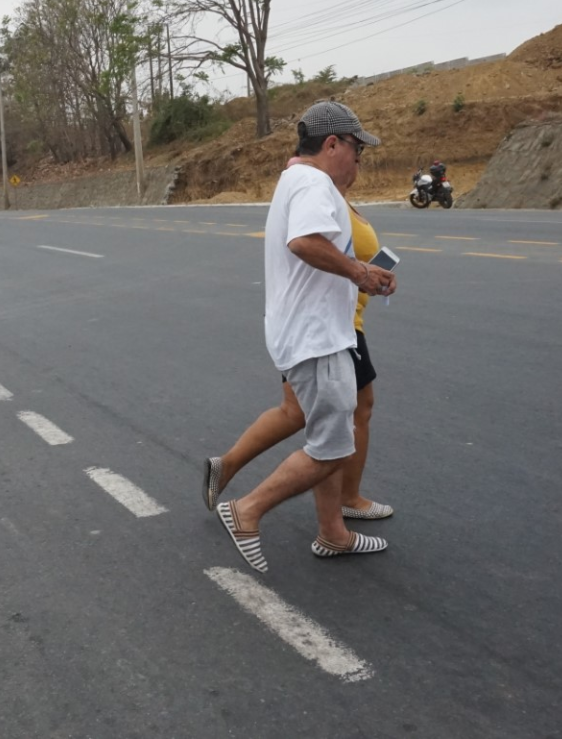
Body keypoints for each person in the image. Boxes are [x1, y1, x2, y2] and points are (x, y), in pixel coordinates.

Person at [204, 101, 395, 573]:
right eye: (356, 149)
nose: (358, 160)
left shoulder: (294, 179)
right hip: (317, 338)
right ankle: (247, 511)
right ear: (333, 144)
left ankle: (333, 533)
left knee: (322, 427)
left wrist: (360, 272)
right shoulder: (313, 182)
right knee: (334, 445)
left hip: (308, 334)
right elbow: (305, 242)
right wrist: (359, 273)